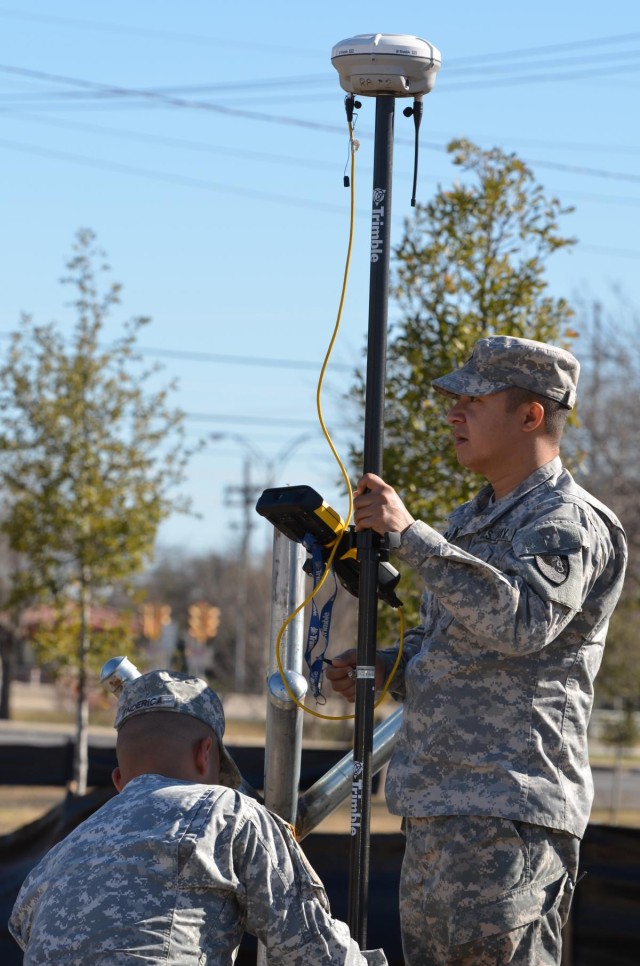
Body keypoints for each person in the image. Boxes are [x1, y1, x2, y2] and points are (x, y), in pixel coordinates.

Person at [326, 335, 627, 966]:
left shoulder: (566, 522)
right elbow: (458, 649)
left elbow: (523, 623)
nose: (452, 414)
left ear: (531, 415)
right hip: (439, 812)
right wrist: (385, 668)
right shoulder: (473, 520)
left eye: (473, 400)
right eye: (453, 400)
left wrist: (411, 537)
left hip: (508, 815)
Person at [9, 666, 387, 965]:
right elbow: (317, 954)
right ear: (206, 754)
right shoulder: (230, 813)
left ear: (119, 780)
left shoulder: (54, 859)